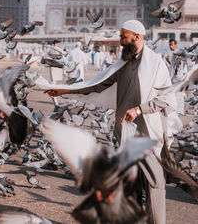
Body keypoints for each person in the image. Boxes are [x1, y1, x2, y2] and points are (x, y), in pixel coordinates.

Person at [42, 20, 182, 224]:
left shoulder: (155, 63)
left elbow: (166, 98)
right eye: (120, 36)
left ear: (138, 37)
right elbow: (97, 85)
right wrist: (66, 90)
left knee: (155, 180)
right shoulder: (123, 63)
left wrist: (139, 109)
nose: (120, 41)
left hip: (146, 133)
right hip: (125, 131)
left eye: (124, 37)